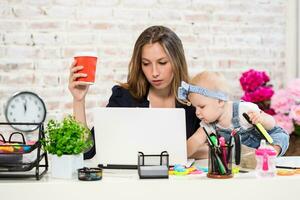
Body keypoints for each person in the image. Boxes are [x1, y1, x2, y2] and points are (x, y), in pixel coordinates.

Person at [68, 25, 207, 159]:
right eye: (146, 63)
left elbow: (216, 147)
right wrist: (79, 100)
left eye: (162, 62)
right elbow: (86, 150)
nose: (154, 73)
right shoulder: (124, 97)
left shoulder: (195, 101)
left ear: (177, 62)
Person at [178, 71, 289, 156]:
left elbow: (272, 123)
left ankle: (270, 153)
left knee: (281, 137)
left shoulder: (243, 109)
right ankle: (255, 157)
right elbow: (194, 141)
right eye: (195, 108)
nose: (197, 113)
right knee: (234, 153)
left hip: (265, 140)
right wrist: (180, 155)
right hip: (246, 154)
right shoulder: (208, 125)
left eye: (201, 107)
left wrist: (261, 119)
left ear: (220, 101)